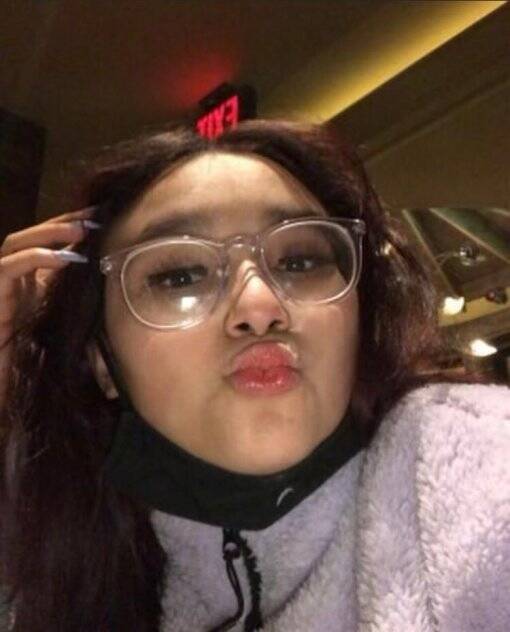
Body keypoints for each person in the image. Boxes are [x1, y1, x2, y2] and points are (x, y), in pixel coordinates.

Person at [0, 119, 508, 632]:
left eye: (301, 261)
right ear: (103, 362)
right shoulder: (67, 552)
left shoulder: (469, 465)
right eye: (180, 275)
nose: (260, 307)